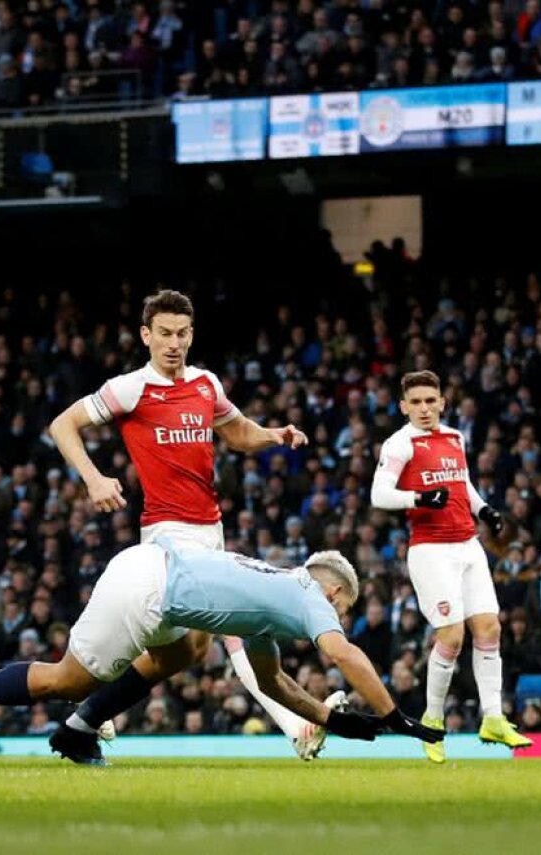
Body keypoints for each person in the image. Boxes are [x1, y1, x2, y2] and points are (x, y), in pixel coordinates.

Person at [47, 289, 333, 764]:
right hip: (167, 532)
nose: (173, 342)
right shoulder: (130, 388)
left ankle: (89, 709)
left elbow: (238, 433)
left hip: (209, 526)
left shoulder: (205, 384)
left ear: (191, 334)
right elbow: (63, 425)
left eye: (181, 333)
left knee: (186, 649)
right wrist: (94, 479)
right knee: (235, 618)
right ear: (146, 335)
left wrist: (273, 435)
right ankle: (296, 725)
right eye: (164, 333)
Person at [0, 543, 444, 763]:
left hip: (156, 576)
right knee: (68, 680)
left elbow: (272, 683)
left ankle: (79, 732)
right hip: (149, 590)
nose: (340, 616)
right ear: (335, 593)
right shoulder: (311, 597)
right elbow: (344, 654)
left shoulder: (275, 599)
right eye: (344, 607)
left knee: (182, 654)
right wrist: (393, 716)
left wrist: (334, 721)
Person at [370, 370, 533, 763]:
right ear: (403, 406)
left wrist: (485, 509)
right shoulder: (399, 444)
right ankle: (433, 722)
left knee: (490, 627)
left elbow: (461, 483)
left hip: (468, 545)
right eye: (417, 402)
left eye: (431, 400)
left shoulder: (455, 438)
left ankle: (493, 718)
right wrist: (421, 499)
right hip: (431, 551)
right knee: (452, 636)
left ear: (442, 401)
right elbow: (379, 495)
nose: (425, 408)